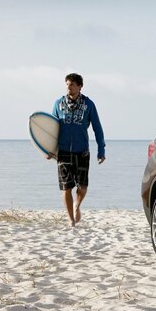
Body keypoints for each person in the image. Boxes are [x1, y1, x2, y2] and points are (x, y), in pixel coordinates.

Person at [49, 73, 106, 227]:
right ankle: (70, 219)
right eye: (67, 84)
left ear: (80, 86)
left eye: (72, 84)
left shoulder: (89, 105)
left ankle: (77, 205)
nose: (69, 87)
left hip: (82, 151)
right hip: (63, 152)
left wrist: (101, 150)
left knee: (82, 186)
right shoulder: (58, 104)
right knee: (66, 187)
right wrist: (50, 150)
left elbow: (97, 129)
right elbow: (52, 129)